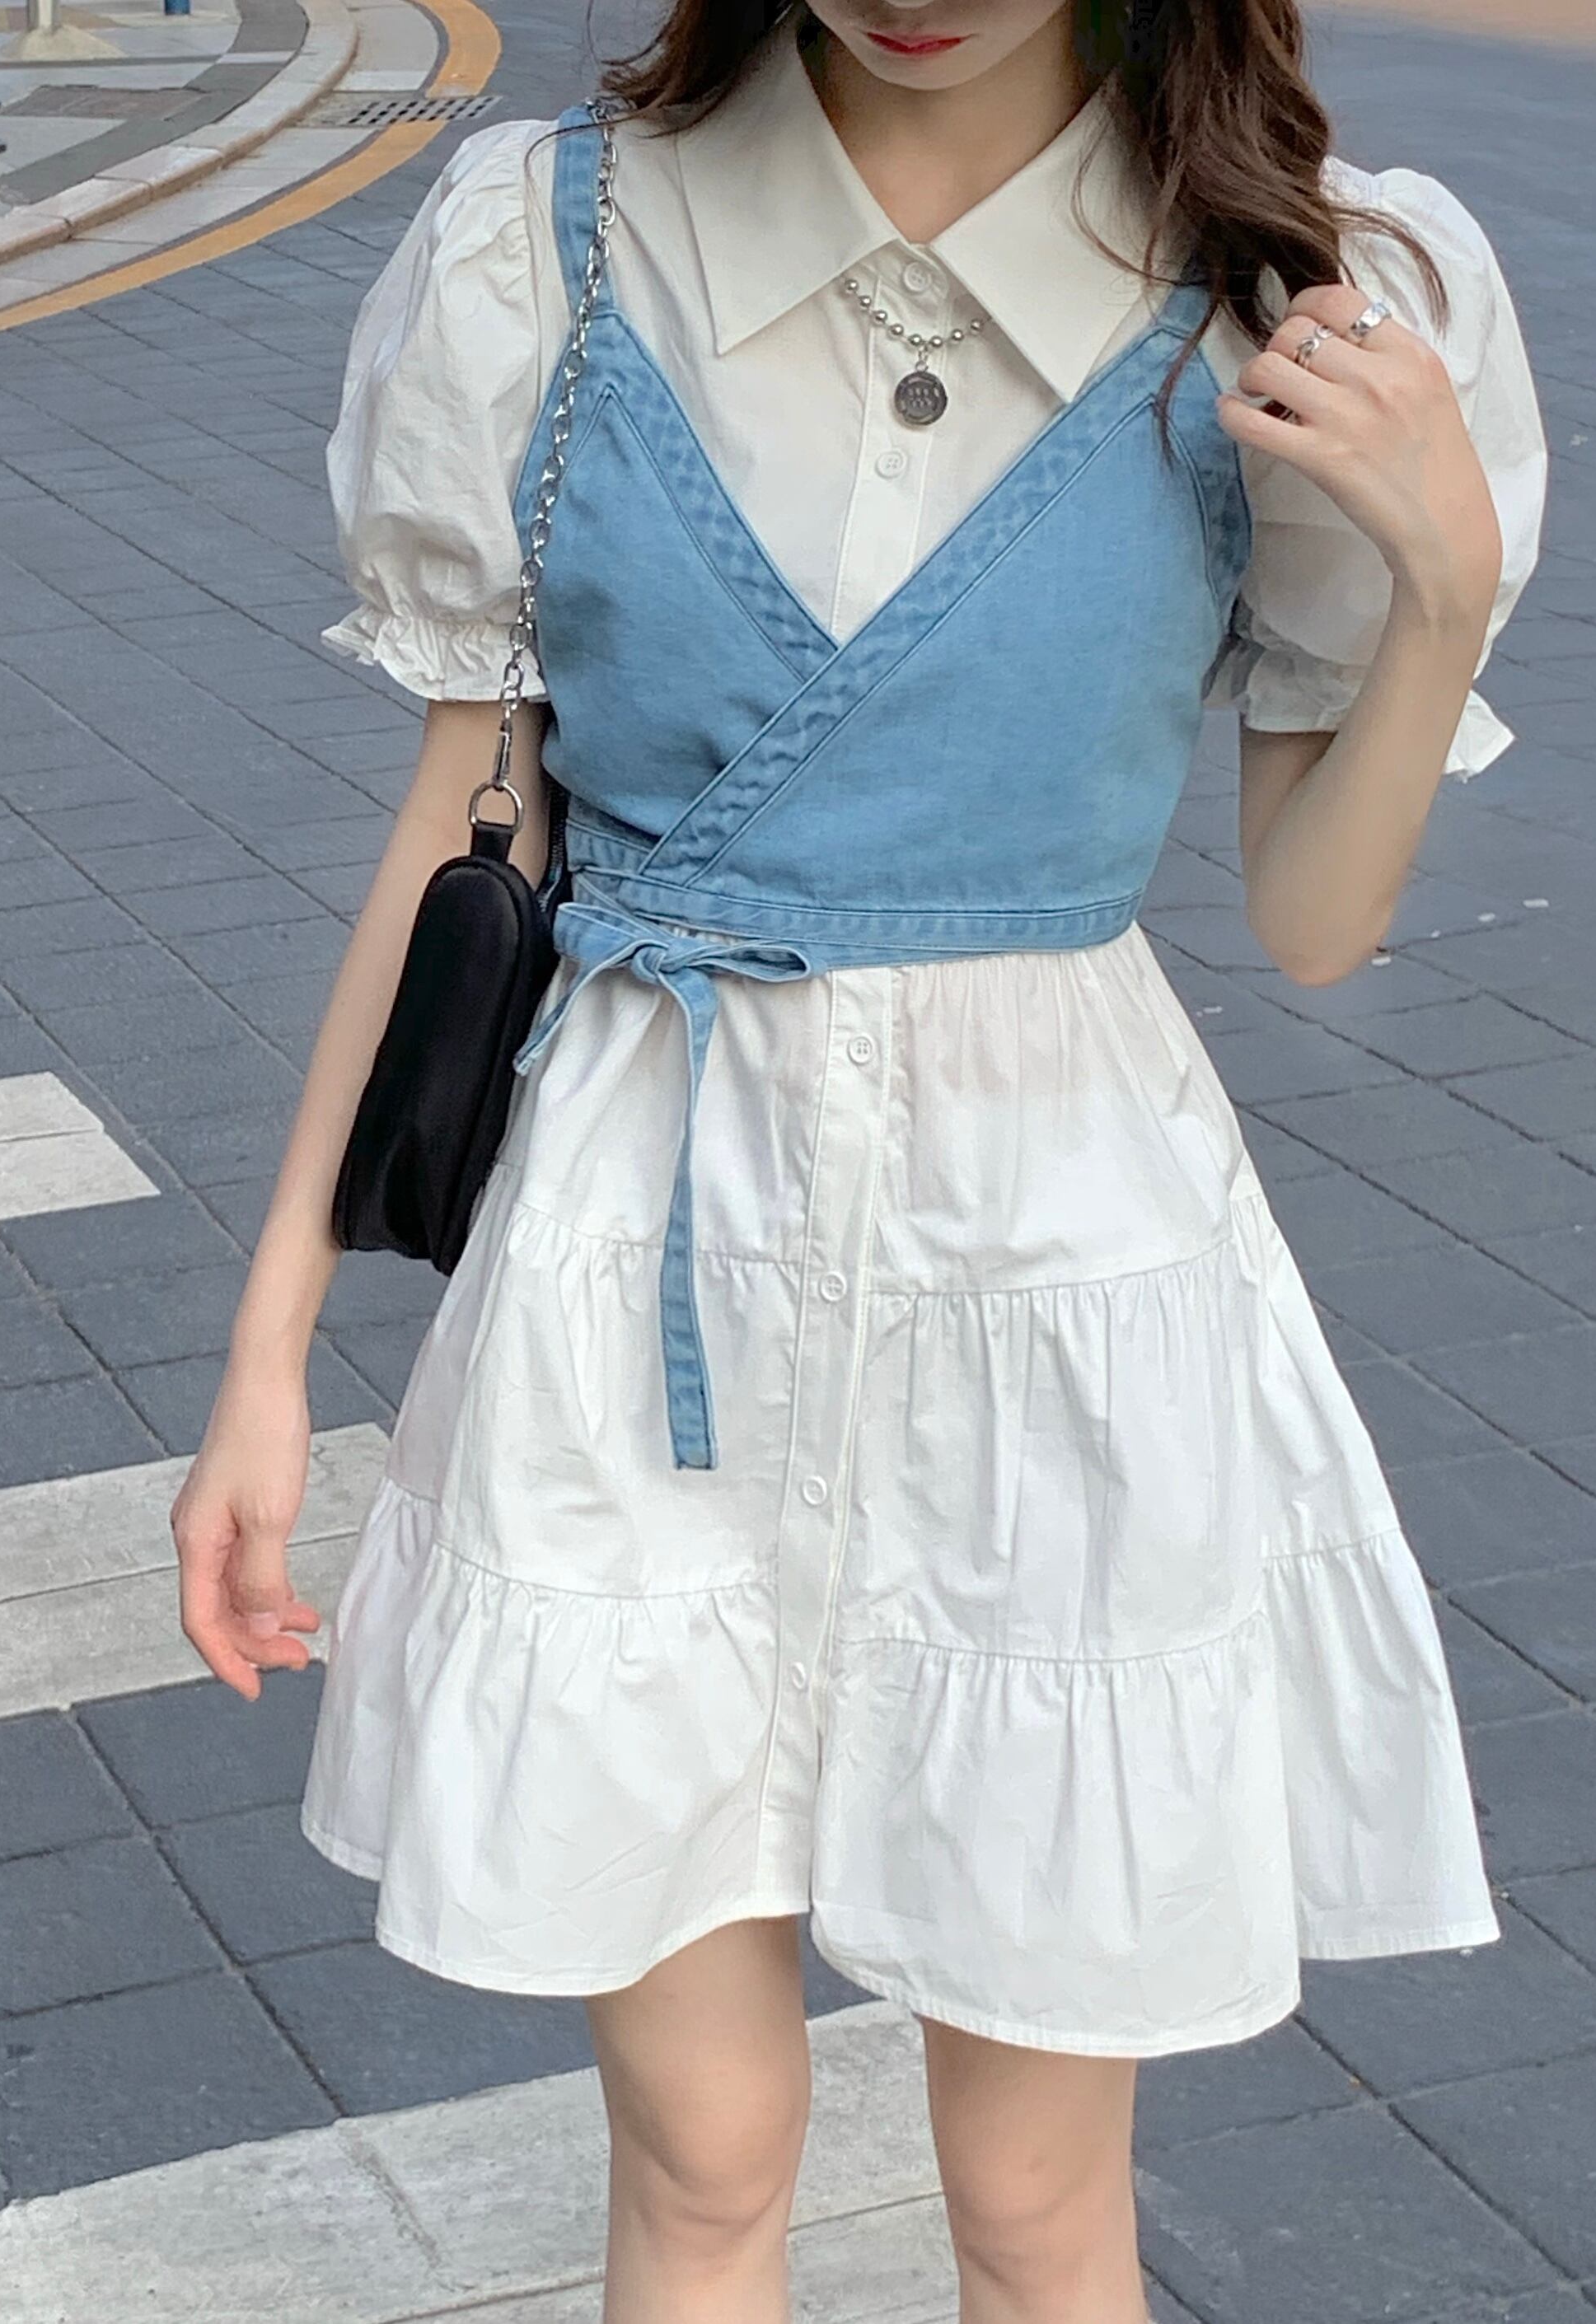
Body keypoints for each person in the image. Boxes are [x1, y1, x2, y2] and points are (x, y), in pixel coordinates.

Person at [173, 0, 1547, 2314]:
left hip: (1055, 1274)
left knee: (1030, 2196)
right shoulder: (556, 242)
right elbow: (457, 842)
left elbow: (1318, 924)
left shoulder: (1307, 285)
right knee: (702, 2158)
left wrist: (1443, 584)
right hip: (645, 1250)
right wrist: (268, 1359)